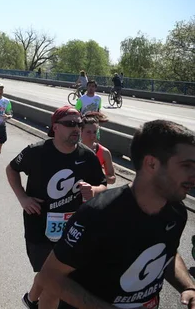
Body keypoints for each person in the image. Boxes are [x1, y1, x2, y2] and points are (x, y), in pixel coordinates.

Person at [36, 120, 195, 309]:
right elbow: (50, 277)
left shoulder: (176, 212)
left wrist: (188, 287)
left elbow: (165, 253)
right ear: (151, 164)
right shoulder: (99, 214)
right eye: (186, 166)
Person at [6, 105, 107, 309]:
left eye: (79, 124)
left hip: (73, 228)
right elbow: (11, 169)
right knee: (51, 279)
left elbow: (103, 184)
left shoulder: (86, 156)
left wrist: (94, 190)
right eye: (70, 124)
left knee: (54, 279)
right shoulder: (36, 151)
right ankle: (33, 299)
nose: (76, 129)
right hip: (39, 225)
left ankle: (31, 299)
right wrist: (23, 198)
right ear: (55, 127)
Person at [81, 116, 116, 185]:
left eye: (94, 132)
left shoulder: (104, 152)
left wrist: (99, 176)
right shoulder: (72, 149)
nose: (92, 135)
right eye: (88, 132)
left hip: (95, 192)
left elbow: (112, 179)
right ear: (80, 131)